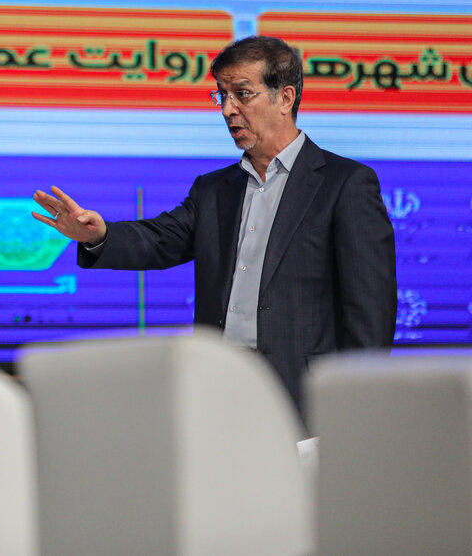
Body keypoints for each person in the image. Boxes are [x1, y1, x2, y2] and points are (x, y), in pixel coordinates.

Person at [33, 35, 396, 416]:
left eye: (242, 94)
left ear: (285, 98)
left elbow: (370, 308)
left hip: (305, 399)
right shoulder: (214, 190)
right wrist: (100, 236)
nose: (227, 110)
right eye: (221, 95)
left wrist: (353, 404)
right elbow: (161, 239)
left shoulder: (343, 184)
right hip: (220, 391)